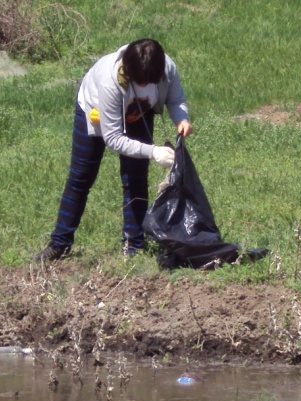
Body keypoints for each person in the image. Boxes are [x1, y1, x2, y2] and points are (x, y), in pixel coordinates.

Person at [34, 38, 193, 261]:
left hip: (139, 112)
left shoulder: (166, 68)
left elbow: (176, 100)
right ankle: (59, 243)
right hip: (96, 112)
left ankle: (133, 246)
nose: (145, 83)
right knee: (81, 178)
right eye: (140, 80)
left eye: (149, 80)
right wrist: (153, 151)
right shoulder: (110, 81)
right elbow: (114, 138)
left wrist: (182, 119)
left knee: (135, 179)